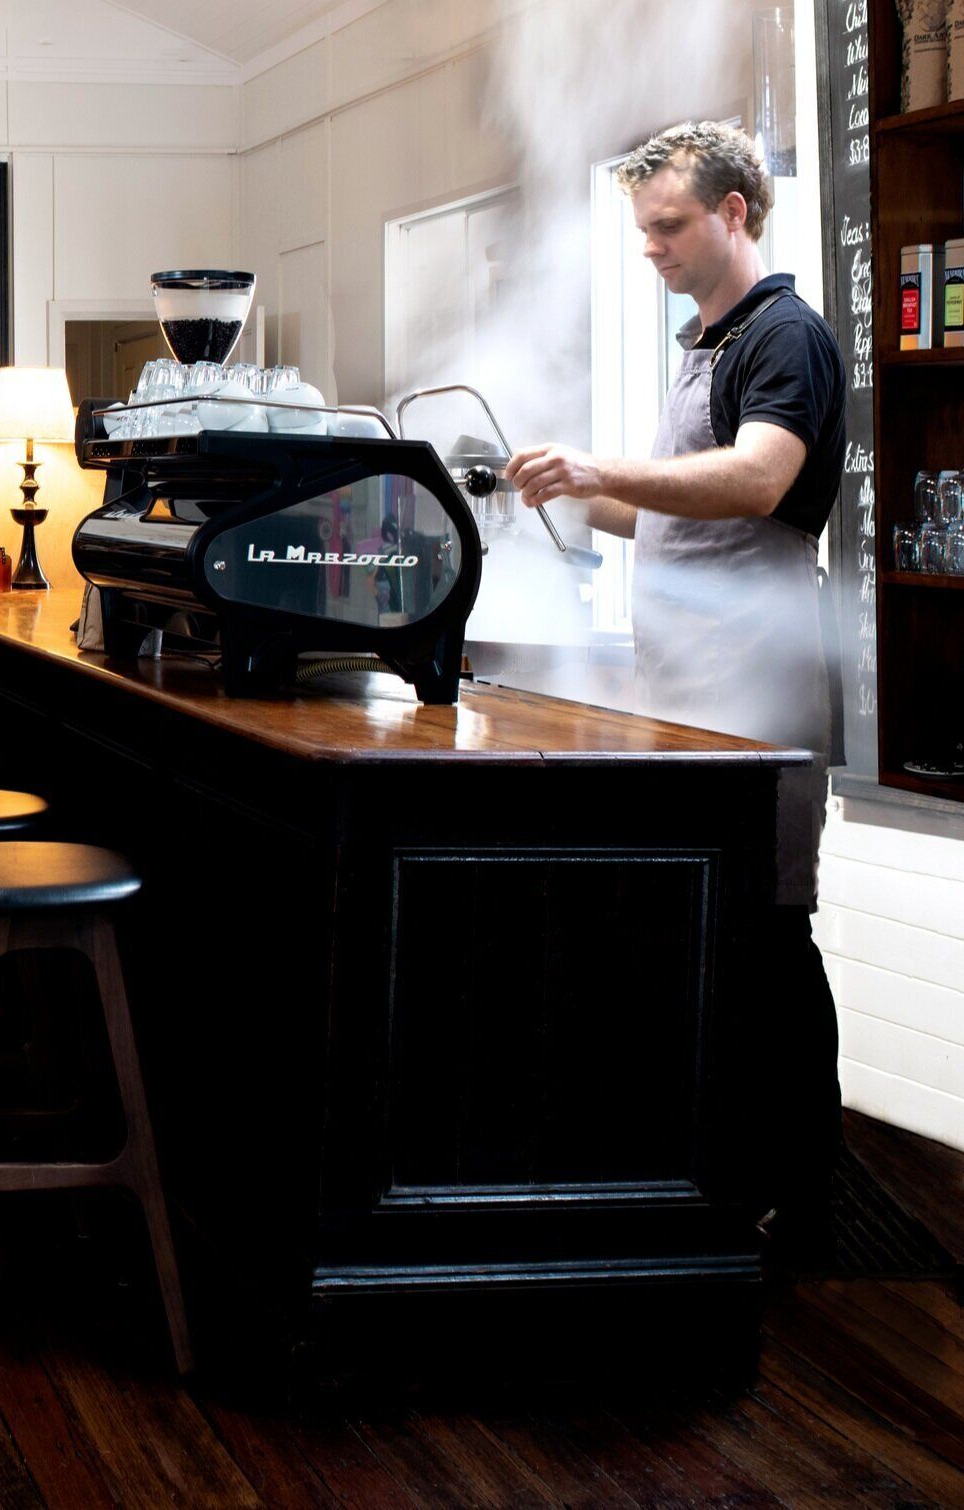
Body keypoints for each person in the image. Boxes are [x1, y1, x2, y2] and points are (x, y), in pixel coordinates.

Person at [504, 120, 847, 1256]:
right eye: (641, 229)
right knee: (707, 933)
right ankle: (709, 1173)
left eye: (668, 225)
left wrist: (599, 467)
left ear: (735, 212)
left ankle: (800, 1206)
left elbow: (755, 480)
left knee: (770, 937)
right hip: (687, 685)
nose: (649, 247)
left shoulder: (785, 335)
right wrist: (558, 489)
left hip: (760, 684)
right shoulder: (707, 341)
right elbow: (666, 508)